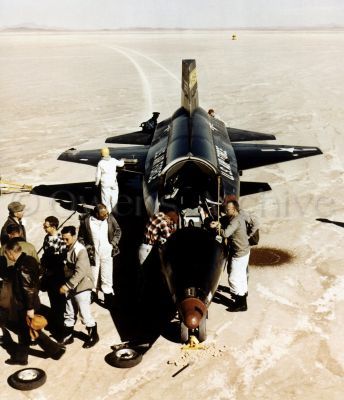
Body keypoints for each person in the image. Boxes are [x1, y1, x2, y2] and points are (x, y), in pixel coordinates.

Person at [2, 239, 65, 364]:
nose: (6, 257)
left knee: (31, 329)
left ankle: (55, 351)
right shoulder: (29, 260)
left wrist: (29, 309)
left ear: (11, 252)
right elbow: (38, 275)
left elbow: (28, 289)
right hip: (31, 302)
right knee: (25, 330)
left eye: (6, 254)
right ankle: (22, 358)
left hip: (25, 305)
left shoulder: (21, 268)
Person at [59, 226, 99, 349]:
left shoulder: (80, 250)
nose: (64, 241)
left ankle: (93, 336)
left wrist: (67, 285)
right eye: (63, 239)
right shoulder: (68, 247)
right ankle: (68, 335)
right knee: (69, 311)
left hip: (82, 286)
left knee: (84, 313)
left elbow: (81, 272)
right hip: (71, 286)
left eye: (67, 239)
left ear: (74, 236)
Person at [78, 204, 121, 308]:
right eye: (103, 215)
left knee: (107, 273)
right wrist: (87, 248)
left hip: (107, 250)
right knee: (93, 273)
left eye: (107, 213)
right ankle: (93, 294)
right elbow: (81, 237)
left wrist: (113, 244)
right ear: (96, 214)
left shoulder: (110, 218)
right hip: (93, 252)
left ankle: (108, 297)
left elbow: (118, 231)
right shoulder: (86, 221)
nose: (106, 216)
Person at [210, 200, 250, 312]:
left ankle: (240, 304)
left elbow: (226, 233)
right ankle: (242, 296)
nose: (226, 211)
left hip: (239, 254)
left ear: (234, 209)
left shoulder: (235, 222)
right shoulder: (238, 216)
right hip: (244, 251)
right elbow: (226, 221)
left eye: (228, 210)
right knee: (241, 276)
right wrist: (220, 222)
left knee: (233, 278)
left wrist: (217, 227)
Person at [40, 216, 67, 339]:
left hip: (57, 276)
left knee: (59, 304)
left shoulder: (61, 240)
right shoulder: (47, 238)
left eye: (46, 226)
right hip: (49, 276)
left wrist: (51, 268)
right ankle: (55, 323)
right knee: (53, 302)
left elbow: (62, 259)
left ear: (53, 226)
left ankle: (61, 330)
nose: (44, 228)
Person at [95, 147, 124, 213]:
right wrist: (122, 160)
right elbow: (121, 164)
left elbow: (98, 175)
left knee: (106, 200)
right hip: (113, 183)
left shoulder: (100, 163)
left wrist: (96, 183)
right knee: (114, 198)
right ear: (108, 153)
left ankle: (108, 213)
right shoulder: (113, 160)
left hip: (105, 184)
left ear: (101, 154)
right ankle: (115, 212)